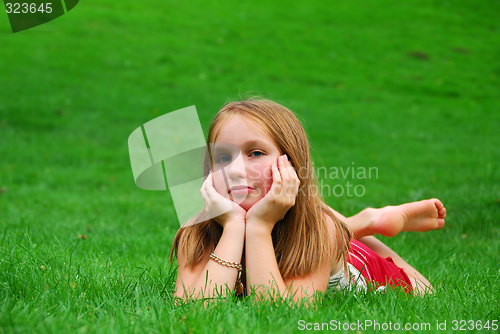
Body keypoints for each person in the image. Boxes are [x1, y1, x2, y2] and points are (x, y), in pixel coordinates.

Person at [170, 98, 446, 301]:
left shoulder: (319, 231)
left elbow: (276, 314)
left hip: (362, 268)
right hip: (325, 229)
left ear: (290, 162)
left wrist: (258, 227)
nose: (235, 170)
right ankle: (363, 223)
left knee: (423, 289)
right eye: (222, 157)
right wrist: (232, 226)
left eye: (255, 153)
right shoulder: (195, 231)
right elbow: (194, 308)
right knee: (325, 220)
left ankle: (367, 225)